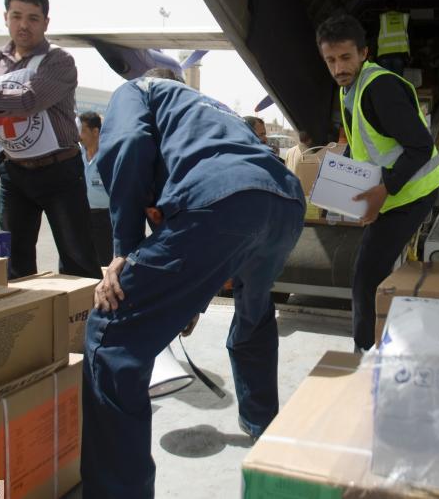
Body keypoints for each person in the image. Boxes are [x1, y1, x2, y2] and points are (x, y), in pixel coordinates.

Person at [82, 68, 305, 498]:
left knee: (111, 335)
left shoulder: (138, 89)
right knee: (254, 313)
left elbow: (126, 144)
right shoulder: (212, 110)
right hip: (285, 202)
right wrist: (189, 298)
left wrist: (124, 250)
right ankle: (263, 426)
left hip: (222, 199)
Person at [316, 14, 439, 351]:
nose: (338, 68)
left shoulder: (380, 89)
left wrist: (383, 190)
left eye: (346, 57)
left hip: (411, 193)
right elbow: (363, 145)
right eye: (330, 60)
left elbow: (421, 147)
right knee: (372, 271)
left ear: (364, 53)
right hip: (393, 192)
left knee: (366, 277)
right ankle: (380, 341)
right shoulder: (350, 89)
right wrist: (341, 187)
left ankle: (365, 353)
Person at [0, 0, 100, 280]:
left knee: (78, 260)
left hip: (60, 172)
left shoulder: (59, 61)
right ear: (5, 18)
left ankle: (82, 311)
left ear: (46, 22)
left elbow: (28, 101)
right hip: (14, 172)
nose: (24, 25)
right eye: (16, 16)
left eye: (33, 18)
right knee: (14, 265)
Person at [78, 111, 113, 267]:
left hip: (103, 218)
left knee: (102, 263)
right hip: (81, 215)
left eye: (83, 130)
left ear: (95, 131)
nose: (79, 135)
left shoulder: (108, 156)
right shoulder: (77, 153)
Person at [376, 2, 409, 74]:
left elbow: (375, 36)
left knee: (386, 79)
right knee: (397, 79)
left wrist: (372, 54)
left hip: (383, 55)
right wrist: (408, 55)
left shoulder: (382, 18)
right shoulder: (403, 17)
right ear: (397, 7)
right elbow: (409, 37)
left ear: (386, 8)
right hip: (399, 55)